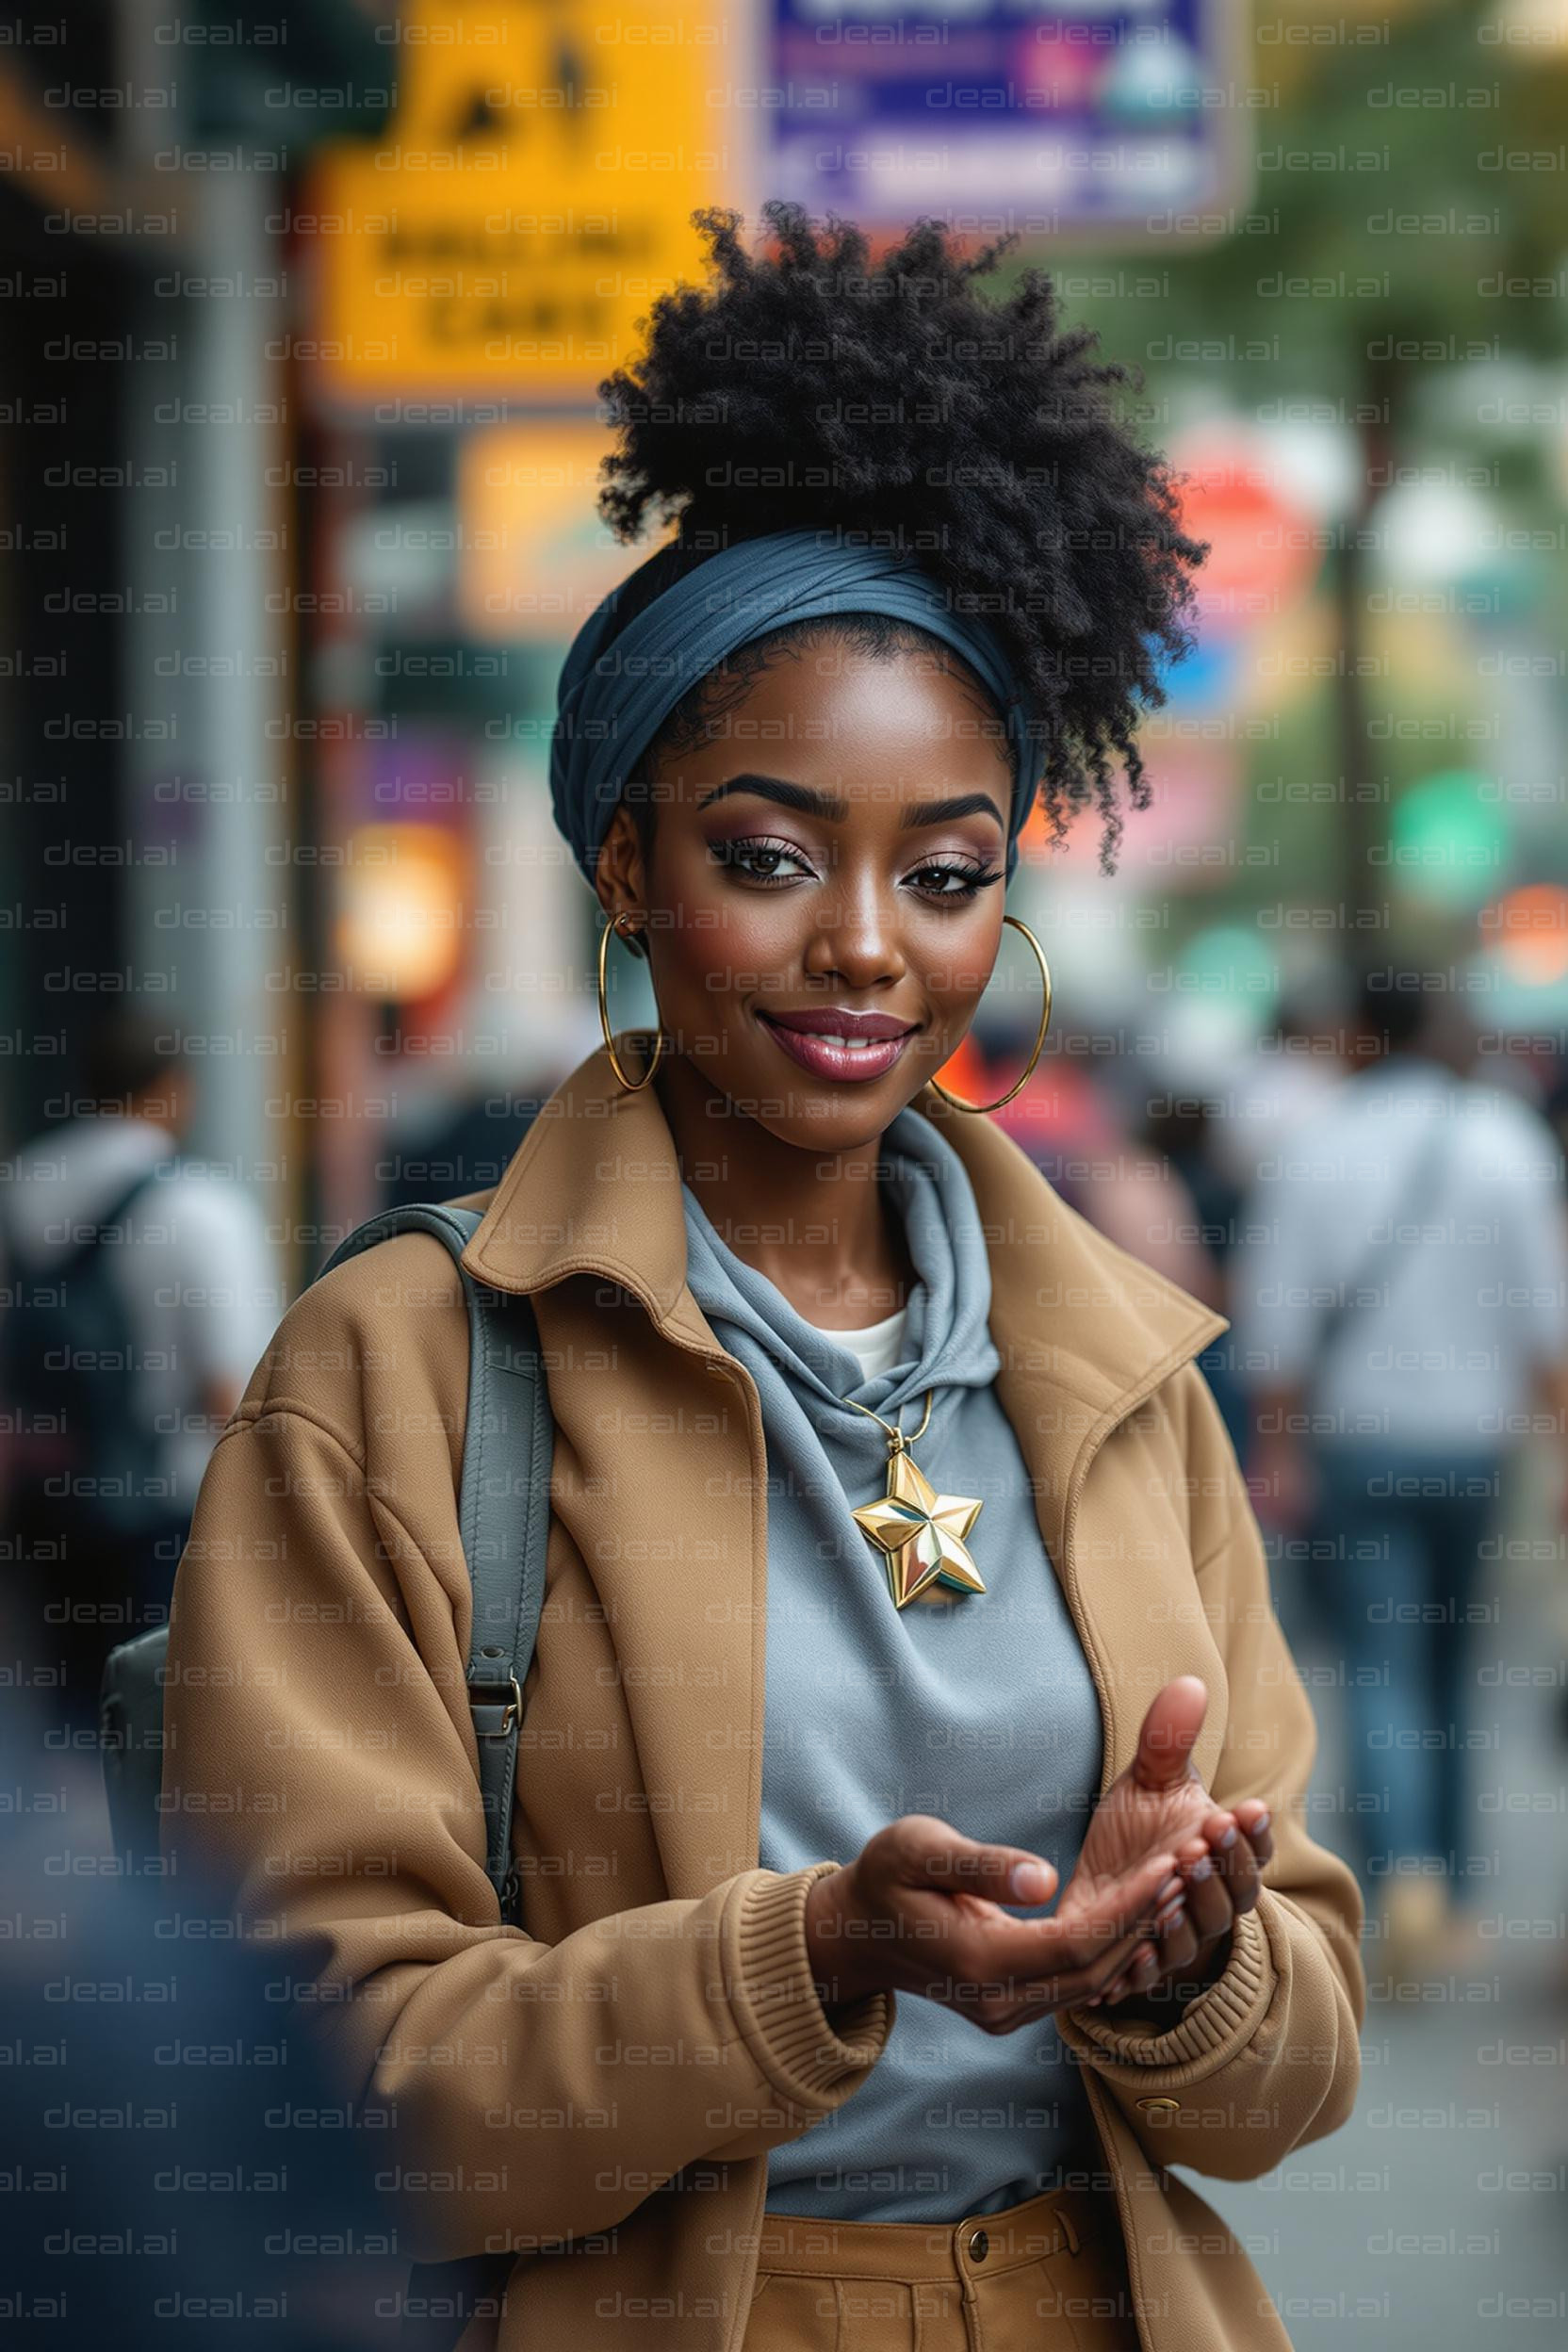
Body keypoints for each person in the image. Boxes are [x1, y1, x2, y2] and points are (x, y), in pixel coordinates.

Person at [160, 207, 1364, 2352]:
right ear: (626, 855)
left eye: (944, 871)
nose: (863, 947)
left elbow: (1294, 2070)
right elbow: (300, 2081)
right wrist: (807, 1953)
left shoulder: (1117, 1367)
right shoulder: (400, 1370)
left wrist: (1191, 1970)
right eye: (767, 850)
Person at [1233, 969, 1568, 1984]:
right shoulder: (1506, 1141)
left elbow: (1273, 1327)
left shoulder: (1314, 1148)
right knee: (1455, 1670)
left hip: (1354, 1445)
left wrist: (1275, 1449)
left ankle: (1401, 1882)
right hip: (1475, 1449)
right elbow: (1544, 1323)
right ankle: (1455, 1896)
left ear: (1354, 1036)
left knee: (1377, 1666)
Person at [0, 1015, 279, 1723]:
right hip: (167, 1508)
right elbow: (233, 1393)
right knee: (160, 1724)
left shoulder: (22, 1190)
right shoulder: (202, 1209)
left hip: (48, 1488)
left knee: (66, 1713)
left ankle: (61, 1828)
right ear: (174, 1091)